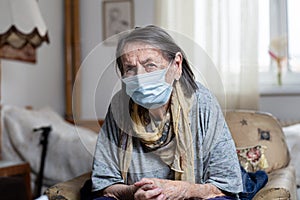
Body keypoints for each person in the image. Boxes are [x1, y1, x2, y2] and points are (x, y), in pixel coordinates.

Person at [91, 25, 244, 200]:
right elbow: (104, 183)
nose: (140, 78)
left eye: (150, 65)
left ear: (176, 65)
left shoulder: (202, 102)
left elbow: (226, 184)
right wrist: (134, 192)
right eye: (130, 68)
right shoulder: (119, 106)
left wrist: (184, 190)